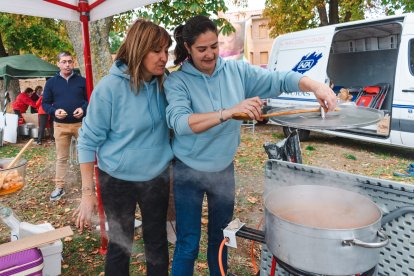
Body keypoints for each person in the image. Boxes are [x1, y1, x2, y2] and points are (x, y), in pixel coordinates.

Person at [164, 15, 337, 276]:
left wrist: (314, 86)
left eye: (214, 46)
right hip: (187, 171)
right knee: (188, 243)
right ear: (187, 48)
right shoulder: (177, 81)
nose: (210, 54)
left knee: (221, 239)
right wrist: (230, 111)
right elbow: (180, 123)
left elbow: (279, 80)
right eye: (202, 49)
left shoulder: (237, 71)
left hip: (223, 169)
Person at [73, 19, 173, 276]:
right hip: (117, 180)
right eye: (157, 51)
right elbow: (87, 141)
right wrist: (87, 193)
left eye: (166, 50)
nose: (164, 57)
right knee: (120, 247)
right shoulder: (110, 88)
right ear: (139, 49)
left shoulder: (166, 84)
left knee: (157, 244)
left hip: (157, 176)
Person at [42, 51, 88, 201]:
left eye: (70, 61)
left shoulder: (82, 81)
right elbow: (45, 103)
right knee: (61, 158)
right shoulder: (51, 83)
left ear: (73, 63)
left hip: (81, 125)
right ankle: (59, 187)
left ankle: (87, 188)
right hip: (60, 126)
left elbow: (90, 99)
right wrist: (55, 111)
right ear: (58, 63)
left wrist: (83, 108)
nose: (67, 64)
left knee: (85, 156)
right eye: (64, 61)